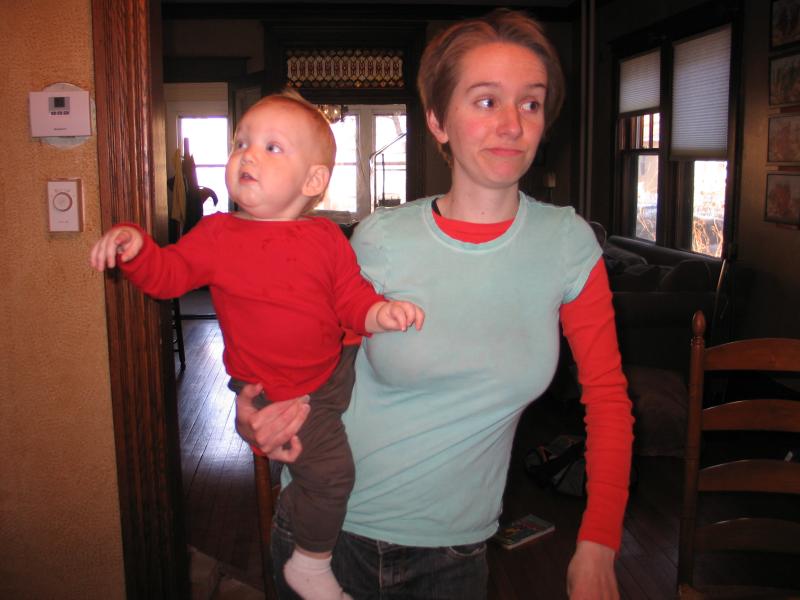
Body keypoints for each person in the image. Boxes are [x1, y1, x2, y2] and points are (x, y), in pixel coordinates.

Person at [234, 9, 634, 600]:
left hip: (455, 552)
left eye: (530, 103)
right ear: (437, 120)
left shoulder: (568, 245)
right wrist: (257, 411)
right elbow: (305, 357)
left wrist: (598, 543)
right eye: (485, 101)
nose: (511, 125)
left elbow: (607, 399)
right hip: (329, 536)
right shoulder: (380, 239)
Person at [89, 91, 425, 600]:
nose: (246, 154)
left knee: (359, 362)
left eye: (271, 147)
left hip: (332, 365)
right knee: (332, 476)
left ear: (312, 181)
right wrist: (136, 248)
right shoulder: (217, 235)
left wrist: (380, 313)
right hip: (285, 392)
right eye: (241, 142)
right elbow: (168, 275)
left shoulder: (325, 237)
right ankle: (310, 564)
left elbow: (350, 296)